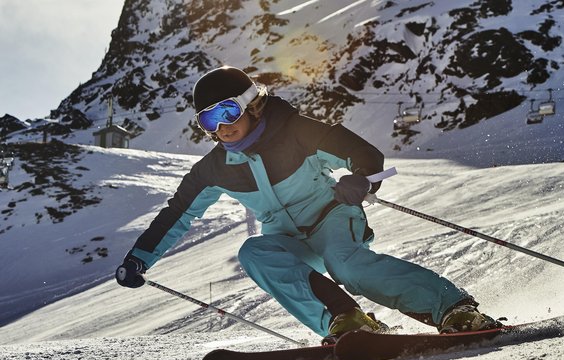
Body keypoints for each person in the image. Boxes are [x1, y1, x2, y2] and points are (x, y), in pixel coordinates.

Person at [115, 66, 500, 343]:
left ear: (252, 105)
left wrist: (360, 177)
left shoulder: (296, 131)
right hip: (286, 237)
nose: (221, 127)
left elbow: (360, 152)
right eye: (208, 121)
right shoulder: (215, 168)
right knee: (254, 251)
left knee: (344, 261)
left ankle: (453, 308)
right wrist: (140, 259)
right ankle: (347, 320)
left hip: (333, 215)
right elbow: (176, 215)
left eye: (227, 112)